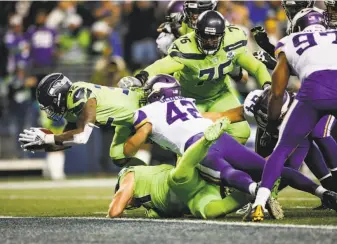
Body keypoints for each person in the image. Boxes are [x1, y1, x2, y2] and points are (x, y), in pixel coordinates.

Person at [118, 74, 337, 220]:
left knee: (227, 173)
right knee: (268, 167)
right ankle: (322, 191)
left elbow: (135, 143)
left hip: (198, 147)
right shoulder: (187, 103)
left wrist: (129, 145)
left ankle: (254, 192)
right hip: (221, 137)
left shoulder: (146, 112)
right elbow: (214, 117)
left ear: (155, 93)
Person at [119, 10, 272, 145]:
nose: (210, 42)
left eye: (214, 38)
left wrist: (268, 87)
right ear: (196, 34)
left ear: (223, 35)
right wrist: (140, 78)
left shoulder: (233, 41)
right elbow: (162, 65)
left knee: (241, 132)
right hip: (190, 100)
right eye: (205, 37)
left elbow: (257, 67)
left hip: (220, 94)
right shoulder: (186, 48)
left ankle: (219, 167)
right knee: (189, 139)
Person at [249, 8, 337, 221]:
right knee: (319, 135)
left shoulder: (289, 40)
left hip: (313, 90)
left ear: (297, 26)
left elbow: (277, 91)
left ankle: (259, 203)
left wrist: (271, 124)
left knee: (282, 148)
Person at [108, 117, 251, 219]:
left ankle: (206, 140)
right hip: (194, 196)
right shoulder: (150, 205)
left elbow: (115, 211)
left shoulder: (129, 175)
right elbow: (167, 208)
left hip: (187, 179)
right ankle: (253, 193)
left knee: (178, 175)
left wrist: (118, 203)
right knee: (209, 212)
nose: (130, 204)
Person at [18, 73, 145, 167]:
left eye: (50, 104)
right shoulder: (69, 106)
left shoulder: (78, 95)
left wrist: (47, 139)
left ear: (58, 95)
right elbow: (65, 141)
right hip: (128, 121)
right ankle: (146, 177)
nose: (49, 110)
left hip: (142, 106)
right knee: (119, 156)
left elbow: (82, 137)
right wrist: (43, 146)